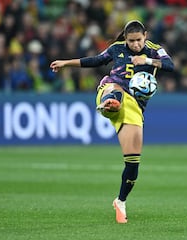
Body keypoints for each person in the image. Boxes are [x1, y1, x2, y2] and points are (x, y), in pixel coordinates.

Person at [50, 20, 174, 224]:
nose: (135, 45)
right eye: (131, 41)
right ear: (125, 38)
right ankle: (110, 103)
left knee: (133, 163)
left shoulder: (154, 50)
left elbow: (170, 65)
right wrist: (66, 63)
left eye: (139, 40)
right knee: (114, 90)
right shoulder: (117, 49)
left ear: (146, 35)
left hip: (135, 105)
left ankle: (120, 201)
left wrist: (147, 61)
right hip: (112, 88)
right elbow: (96, 60)